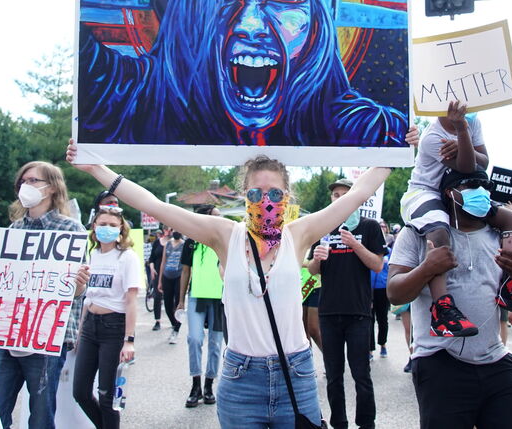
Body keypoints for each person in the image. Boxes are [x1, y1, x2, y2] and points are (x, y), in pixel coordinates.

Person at [67, 139, 392, 429]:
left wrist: (399, 150)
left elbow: (361, 191)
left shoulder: (300, 233)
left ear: (287, 196)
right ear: (243, 195)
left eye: (275, 193)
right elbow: (155, 206)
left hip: (295, 374)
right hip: (241, 379)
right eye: (255, 193)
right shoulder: (225, 235)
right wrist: (97, 168)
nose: (266, 200)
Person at [76, 0, 407, 147]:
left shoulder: (357, 127)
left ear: (318, 22)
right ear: (184, 14)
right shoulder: (127, 97)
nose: (250, 24)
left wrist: (412, 136)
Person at [388, 167, 512, 428]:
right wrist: (427, 268)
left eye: (485, 187)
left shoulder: (502, 236)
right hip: (439, 361)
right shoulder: (417, 233)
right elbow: (394, 293)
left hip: (495, 360)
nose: (481, 193)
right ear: (449, 193)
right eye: (471, 186)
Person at [399, 102, 512, 337]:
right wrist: (462, 132)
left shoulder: (473, 121)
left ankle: (510, 286)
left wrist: (464, 138)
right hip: (426, 192)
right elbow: (466, 166)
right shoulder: (432, 137)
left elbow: (483, 162)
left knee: (510, 220)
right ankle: (442, 308)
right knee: (439, 230)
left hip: (460, 189)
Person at [0, 161, 90, 429]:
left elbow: (79, 292)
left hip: (46, 339)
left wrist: (78, 285)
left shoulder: (71, 231)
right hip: (10, 336)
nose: (26, 186)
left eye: (33, 181)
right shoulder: (13, 230)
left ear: (52, 188)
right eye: (23, 181)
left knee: (41, 415)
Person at [307, 178, 385, 429]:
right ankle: (338, 422)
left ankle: (366, 423)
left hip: (358, 311)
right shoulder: (323, 228)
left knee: (361, 374)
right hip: (329, 311)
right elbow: (312, 269)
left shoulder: (369, 226)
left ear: (356, 198)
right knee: (333, 376)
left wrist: (354, 244)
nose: (338, 199)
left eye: (344, 194)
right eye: (335, 195)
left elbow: (377, 264)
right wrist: (317, 259)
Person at [73, 206, 139, 429]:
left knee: (107, 397)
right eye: (102, 224)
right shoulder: (91, 255)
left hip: (114, 327)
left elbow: (131, 300)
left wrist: (129, 340)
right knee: (80, 391)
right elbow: (88, 297)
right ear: (94, 227)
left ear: (121, 229)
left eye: (112, 225)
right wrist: (81, 332)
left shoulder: (127, 257)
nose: (107, 229)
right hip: (91, 326)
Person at [177, 204, 225, 408]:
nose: (220, 220)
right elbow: (186, 272)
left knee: (215, 344)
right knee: (194, 339)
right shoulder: (191, 243)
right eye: (216, 216)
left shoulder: (225, 241)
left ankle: (208, 385)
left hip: (220, 299)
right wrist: (180, 300)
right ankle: (195, 384)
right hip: (196, 297)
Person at [158, 228, 185, 343]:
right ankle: (174, 324)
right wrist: (160, 281)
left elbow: (187, 267)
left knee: (177, 304)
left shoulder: (184, 245)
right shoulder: (168, 244)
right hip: (167, 276)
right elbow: (163, 262)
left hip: (179, 277)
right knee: (168, 304)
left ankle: (176, 329)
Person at [370, 243, 391, 360]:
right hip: (368, 289)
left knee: (383, 319)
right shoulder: (366, 248)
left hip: (383, 289)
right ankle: (370, 349)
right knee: (369, 320)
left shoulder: (388, 250)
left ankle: (383, 344)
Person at [147, 229, 167, 330]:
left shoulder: (176, 242)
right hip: (157, 272)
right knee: (157, 296)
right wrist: (152, 268)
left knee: (171, 299)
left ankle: (174, 321)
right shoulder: (157, 242)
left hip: (170, 274)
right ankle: (157, 321)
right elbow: (152, 258)